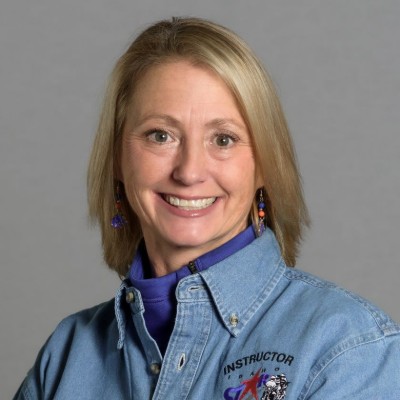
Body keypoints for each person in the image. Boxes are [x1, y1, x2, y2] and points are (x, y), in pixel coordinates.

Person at [14, 17, 400, 400]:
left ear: (265, 165)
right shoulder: (67, 356)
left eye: (223, 139)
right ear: (117, 157)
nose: (189, 172)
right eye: (160, 135)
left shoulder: (347, 349)